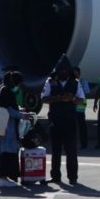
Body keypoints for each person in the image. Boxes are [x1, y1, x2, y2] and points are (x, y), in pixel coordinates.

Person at [41, 55, 83, 183]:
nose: (64, 72)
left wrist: (72, 99)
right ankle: (56, 176)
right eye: (62, 70)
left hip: (70, 120)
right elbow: (44, 98)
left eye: (66, 70)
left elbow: (81, 99)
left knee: (71, 151)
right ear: (57, 71)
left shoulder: (75, 83)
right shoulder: (50, 82)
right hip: (56, 120)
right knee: (56, 151)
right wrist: (59, 98)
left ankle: (73, 177)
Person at [0, 71, 27, 188]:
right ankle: (2, 177)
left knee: (0, 153)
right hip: (6, 129)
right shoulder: (6, 91)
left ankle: (1, 177)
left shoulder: (1, 88)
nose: (18, 86)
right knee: (5, 152)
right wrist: (22, 115)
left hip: (0, 128)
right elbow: (7, 110)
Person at [73, 66, 90, 150]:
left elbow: (86, 94)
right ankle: (72, 144)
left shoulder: (83, 81)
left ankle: (84, 144)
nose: (75, 75)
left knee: (82, 127)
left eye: (76, 73)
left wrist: (77, 97)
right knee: (72, 128)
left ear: (79, 74)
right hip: (71, 109)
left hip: (80, 109)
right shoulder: (70, 82)